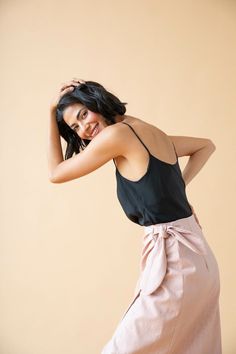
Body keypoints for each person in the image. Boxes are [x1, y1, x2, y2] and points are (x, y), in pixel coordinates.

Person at [47, 78, 222, 354]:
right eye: (75, 127)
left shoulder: (116, 136)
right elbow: (206, 146)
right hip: (199, 259)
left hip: (175, 263)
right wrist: (179, 189)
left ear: (97, 101)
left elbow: (55, 174)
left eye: (83, 114)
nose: (84, 129)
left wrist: (49, 112)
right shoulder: (147, 130)